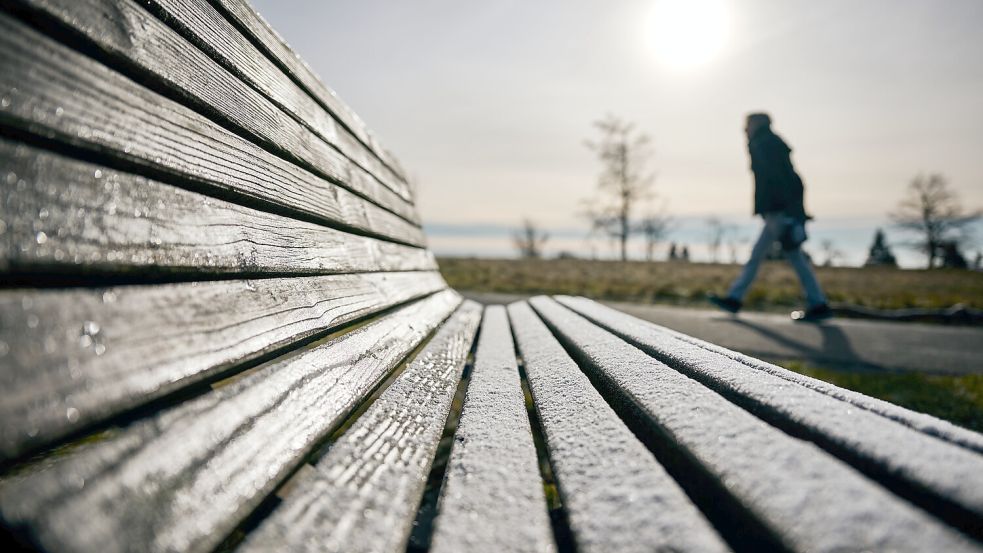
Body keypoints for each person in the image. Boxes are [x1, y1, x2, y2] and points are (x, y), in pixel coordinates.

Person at [709, 113, 832, 322]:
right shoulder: (767, 143)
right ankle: (734, 298)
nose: (744, 129)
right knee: (760, 255)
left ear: (757, 124)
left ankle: (818, 303)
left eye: (747, 124)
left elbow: (780, 180)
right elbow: (791, 179)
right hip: (776, 211)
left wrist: (790, 214)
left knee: (793, 255)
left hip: (779, 211)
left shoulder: (764, 144)